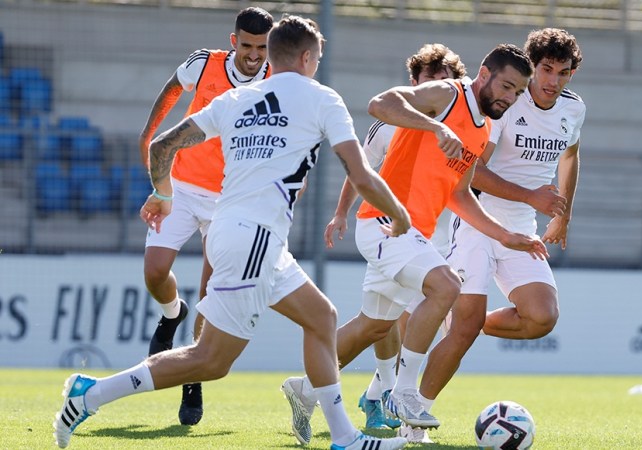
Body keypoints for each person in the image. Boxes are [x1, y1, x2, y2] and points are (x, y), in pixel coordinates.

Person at [53, 16, 410, 450]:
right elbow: (362, 174)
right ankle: (90, 394)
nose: (318, 64)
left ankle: (344, 436)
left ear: (271, 54)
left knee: (322, 318)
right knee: (211, 360)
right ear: (306, 57)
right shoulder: (322, 98)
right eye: (317, 57)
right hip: (254, 239)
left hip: (237, 232)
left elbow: (163, 144)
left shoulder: (238, 98)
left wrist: (163, 193)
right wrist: (399, 214)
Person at [280, 43, 546, 442]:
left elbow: (459, 194)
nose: (510, 98)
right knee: (447, 286)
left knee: (373, 326)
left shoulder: (484, 128)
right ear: (484, 75)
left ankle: (303, 388)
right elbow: (379, 103)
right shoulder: (448, 94)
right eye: (506, 86)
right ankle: (403, 394)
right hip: (385, 223)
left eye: (518, 92)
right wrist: (437, 127)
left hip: (412, 234)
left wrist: (505, 235)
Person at [418, 28, 585, 422]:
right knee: (464, 331)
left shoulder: (574, 109)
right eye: (546, 69)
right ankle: (415, 416)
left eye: (563, 73)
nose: (553, 81)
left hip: (522, 227)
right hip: (478, 222)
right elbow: (471, 171)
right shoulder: (507, 104)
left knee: (542, 317)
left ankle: (464, 321)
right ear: (532, 67)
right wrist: (530, 196)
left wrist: (562, 214)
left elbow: (570, 156)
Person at [137, 6, 273, 426]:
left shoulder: (277, 80)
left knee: (211, 294)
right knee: (154, 272)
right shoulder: (205, 62)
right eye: (247, 45)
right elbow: (173, 89)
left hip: (230, 199)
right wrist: (149, 134)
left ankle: (191, 380)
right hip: (181, 186)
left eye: (262, 48)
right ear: (234, 41)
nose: (254, 55)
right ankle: (171, 314)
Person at [324, 43, 467, 443]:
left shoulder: (460, 127)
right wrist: (340, 213)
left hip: (436, 235)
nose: (437, 86)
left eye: (445, 80)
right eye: (429, 79)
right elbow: (361, 170)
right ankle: (395, 399)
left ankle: (349, 391)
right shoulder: (389, 124)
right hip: (393, 231)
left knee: (380, 323)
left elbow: (462, 186)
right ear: (414, 82)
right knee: (403, 319)